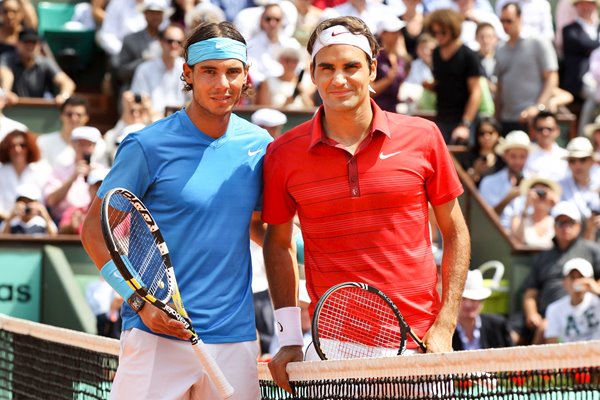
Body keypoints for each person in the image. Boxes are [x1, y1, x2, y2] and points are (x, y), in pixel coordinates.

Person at [262, 16, 470, 394]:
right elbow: (277, 245)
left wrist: (445, 325)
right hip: (331, 353)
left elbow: (456, 233)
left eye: (351, 66)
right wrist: (289, 338)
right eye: (327, 67)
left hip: (420, 349)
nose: (339, 79)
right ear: (312, 73)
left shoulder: (424, 137)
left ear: (372, 68)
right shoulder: (281, 154)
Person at [80, 21, 272, 399]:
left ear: (246, 75)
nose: (223, 84)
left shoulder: (260, 145)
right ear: (187, 73)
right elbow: (92, 231)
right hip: (156, 334)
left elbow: (261, 228)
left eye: (233, 72)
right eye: (209, 72)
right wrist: (139, 302)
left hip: (234, 338)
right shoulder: (146, 145)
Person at [520, 201, 600, 344]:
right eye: (560, 222)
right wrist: (532, 314)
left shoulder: (592, 250)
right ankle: (539, 366)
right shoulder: (542, 257)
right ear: (554, 226)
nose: (565, 227)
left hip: (587, 311)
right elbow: (530, 292)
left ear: (579, 226)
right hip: (550, 316)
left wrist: (594, 287)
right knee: (543, 328)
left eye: (570, 222)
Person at [494, 2, 558, 135]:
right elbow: (500, 87)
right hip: (507, 118)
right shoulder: (500, 48)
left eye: (509, 21)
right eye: (502, 21)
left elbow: (552, 77)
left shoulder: (538, 42)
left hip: (533, 120)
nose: (505, 25)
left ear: (520, 18)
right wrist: (497, 116)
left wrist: (538, 107)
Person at [425, 8, 482, 145]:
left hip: (463, 121)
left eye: (442, 32)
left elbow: (476, 92)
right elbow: (445, 83)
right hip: (442, 118)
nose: (438, 36)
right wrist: (431, 86)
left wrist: (465, 124)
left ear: (453, 29)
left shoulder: (469, 55)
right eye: (435, 32)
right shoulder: (436, 53)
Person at [130, 24, 189, 120]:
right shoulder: (144, 69)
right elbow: (139, 101)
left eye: (179, 42)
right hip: (150, 121)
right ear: (161, 42)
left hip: (181, 120)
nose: (174, 45)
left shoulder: (189, 69)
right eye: (170, 41)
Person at [453, 269, 513, 351]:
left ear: (482, 301)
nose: (468, 305)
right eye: (463, 299)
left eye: (473, 299)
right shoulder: (444, 331)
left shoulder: (498, 325)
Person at [544, 257, 600, 343]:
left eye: (581, 277)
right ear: (564, 282)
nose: (577, 281)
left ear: (589, 280)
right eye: (572, 277)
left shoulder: (597, 301)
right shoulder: (554, 309)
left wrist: (597, 290)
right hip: (571, 355)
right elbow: (552, 343)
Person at [0, 129, 47, 222]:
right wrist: (11, 218)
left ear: (29, 148)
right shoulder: (1, 172)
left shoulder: (39, 171)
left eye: (22, 145)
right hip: (3, 225)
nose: (17, 150)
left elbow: (43, 203)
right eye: (12, 146)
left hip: (35, 225)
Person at [509, 176, 561, 248]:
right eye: (537, 191)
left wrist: (556, 204)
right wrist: (526, 206)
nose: (540, 196)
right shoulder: (518, 219)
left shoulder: (557, 221)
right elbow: (517, 241)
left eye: (544, 192)